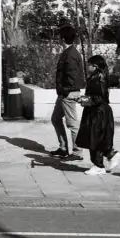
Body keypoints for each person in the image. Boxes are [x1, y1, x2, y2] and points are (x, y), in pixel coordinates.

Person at [75, 54, 120, 175]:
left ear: (95, 66)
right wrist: (84, 99)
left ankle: (99, 165)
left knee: (94, 138)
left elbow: (99, 98)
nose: (87, 67)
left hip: (98, 113)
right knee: (98, 138)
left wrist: (84, 100)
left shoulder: (98, 79)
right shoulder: (97, 77)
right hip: (96, 111)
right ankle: (111, 155)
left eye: (89, 65)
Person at [50, 24, 85, 159]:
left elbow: (72, 76)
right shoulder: (70, 52)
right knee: (56, 119)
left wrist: (65, 90)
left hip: (68, 93)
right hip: (65, 93)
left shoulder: (70, 54)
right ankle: (63, 148)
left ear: (63, 39)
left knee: (72, 123)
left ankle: (77, 152)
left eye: (59, 37)